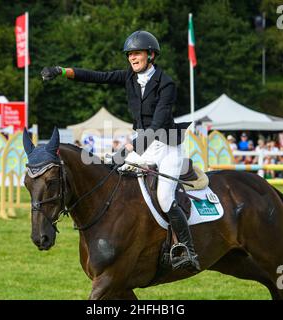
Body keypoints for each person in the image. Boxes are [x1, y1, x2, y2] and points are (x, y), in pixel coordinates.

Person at [41, 30, 200, 271]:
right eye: (129, 55)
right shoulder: (129, 77)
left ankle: (186, 249)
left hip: (167, 145)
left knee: (165, 197)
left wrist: (129, 148)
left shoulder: (166, 83)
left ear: (151, 55)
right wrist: (62, 71)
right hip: (143, 144)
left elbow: (157, 126)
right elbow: (97, 76)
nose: (132, 58)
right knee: (113, 178)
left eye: (137, 54)